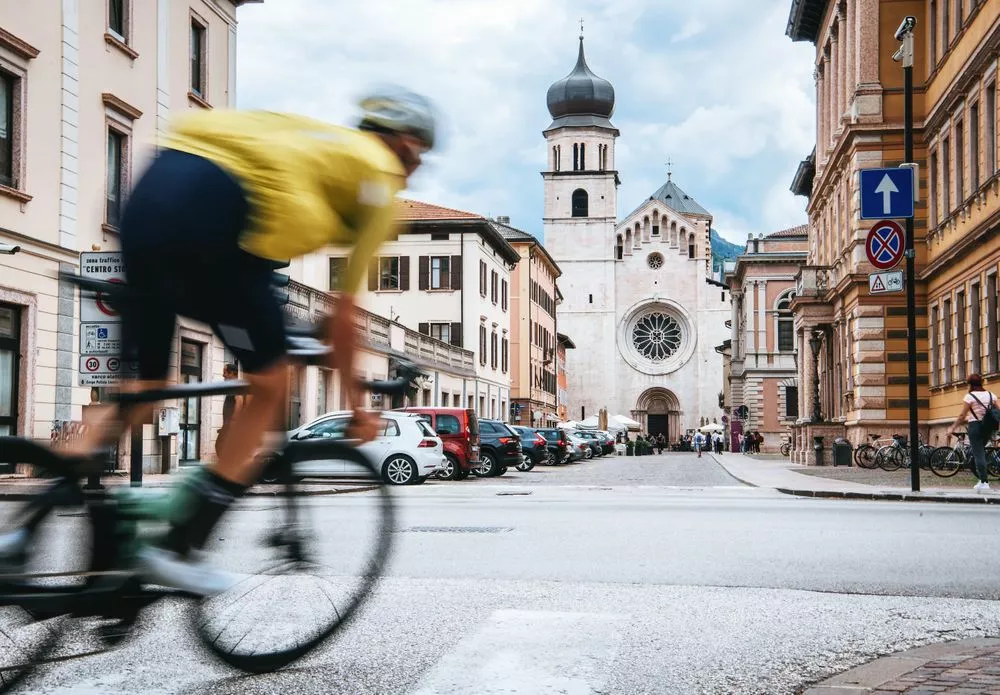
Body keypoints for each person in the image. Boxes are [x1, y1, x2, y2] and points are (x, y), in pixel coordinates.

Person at [62, 87, 437, 594]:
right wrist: (356, 408)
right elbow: (345, 320)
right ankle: (182, 548)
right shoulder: (377, 181)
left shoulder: (309, 139)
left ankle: (41, 516)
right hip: (216, 221)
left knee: (142, 391)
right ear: (406, 146)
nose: (414, 170)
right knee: (272, 386)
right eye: (419, 155)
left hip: (150, 197)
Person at [946, 373, 998, 492]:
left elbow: (962, 415)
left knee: (979, 454)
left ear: (970, 384)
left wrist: (952, 428)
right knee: (978, 453)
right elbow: (998, 411)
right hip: (988, 427)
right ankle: (981, 479)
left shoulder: (969, 397)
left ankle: (985, 482)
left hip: (975, 426)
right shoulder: (991, 395)